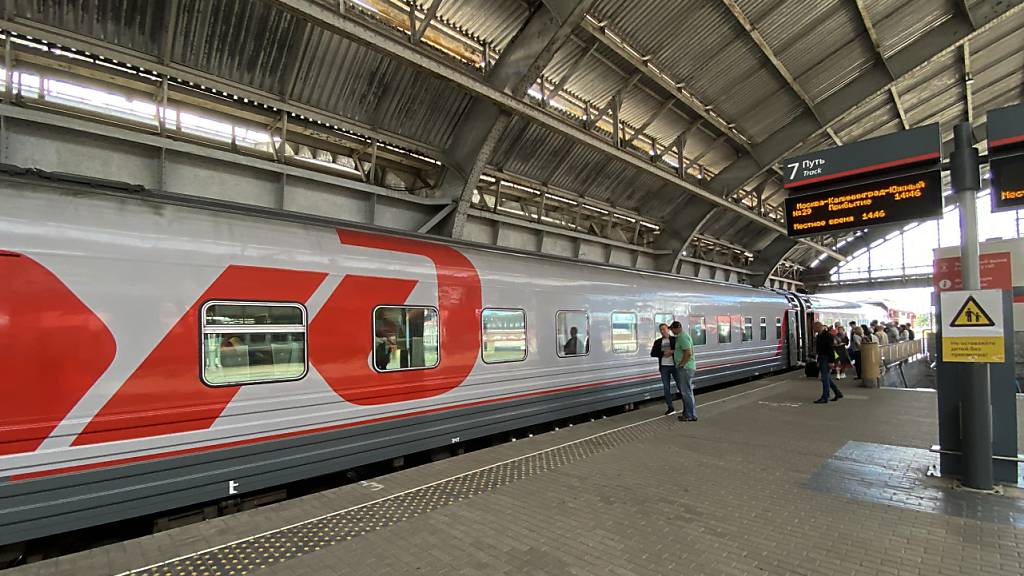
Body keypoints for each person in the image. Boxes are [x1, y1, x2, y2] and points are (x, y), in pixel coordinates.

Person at [650, 323, 681, 416]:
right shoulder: (658, 342)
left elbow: (680, 350)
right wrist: (663, 353)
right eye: (661, 330)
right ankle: (670, 407)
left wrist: (671, 352)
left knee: (680, 385)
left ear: (668, 329)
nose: (662, 331)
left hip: (675, 366)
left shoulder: (675, 340)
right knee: (666, 388)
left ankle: (687, 406)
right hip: (664, 367)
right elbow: (653, 353)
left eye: (664, 329)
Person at [670, 321, 698, 421]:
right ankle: (691, 414)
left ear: (677, 328)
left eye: (672, 329)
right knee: (688, 391)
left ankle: (689, 415)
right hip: (687, 367)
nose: (672, 331)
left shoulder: (682, 337)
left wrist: (681, 364)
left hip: (685, 368)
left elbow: (688, 352)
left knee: (686, 392)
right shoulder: (683, 336)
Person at [813, 321, 843, 404]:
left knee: (824, 378)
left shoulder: (828, 335)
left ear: (819, 327)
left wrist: (831, 361)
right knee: (827, 378)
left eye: (814, 327)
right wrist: (818, 360)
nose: (813, 329)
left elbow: (831, 349)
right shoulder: (819, 335)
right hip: (822, 358)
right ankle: (837, 393)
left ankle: (825, 397)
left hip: (826, 358)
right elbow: (819, 350)